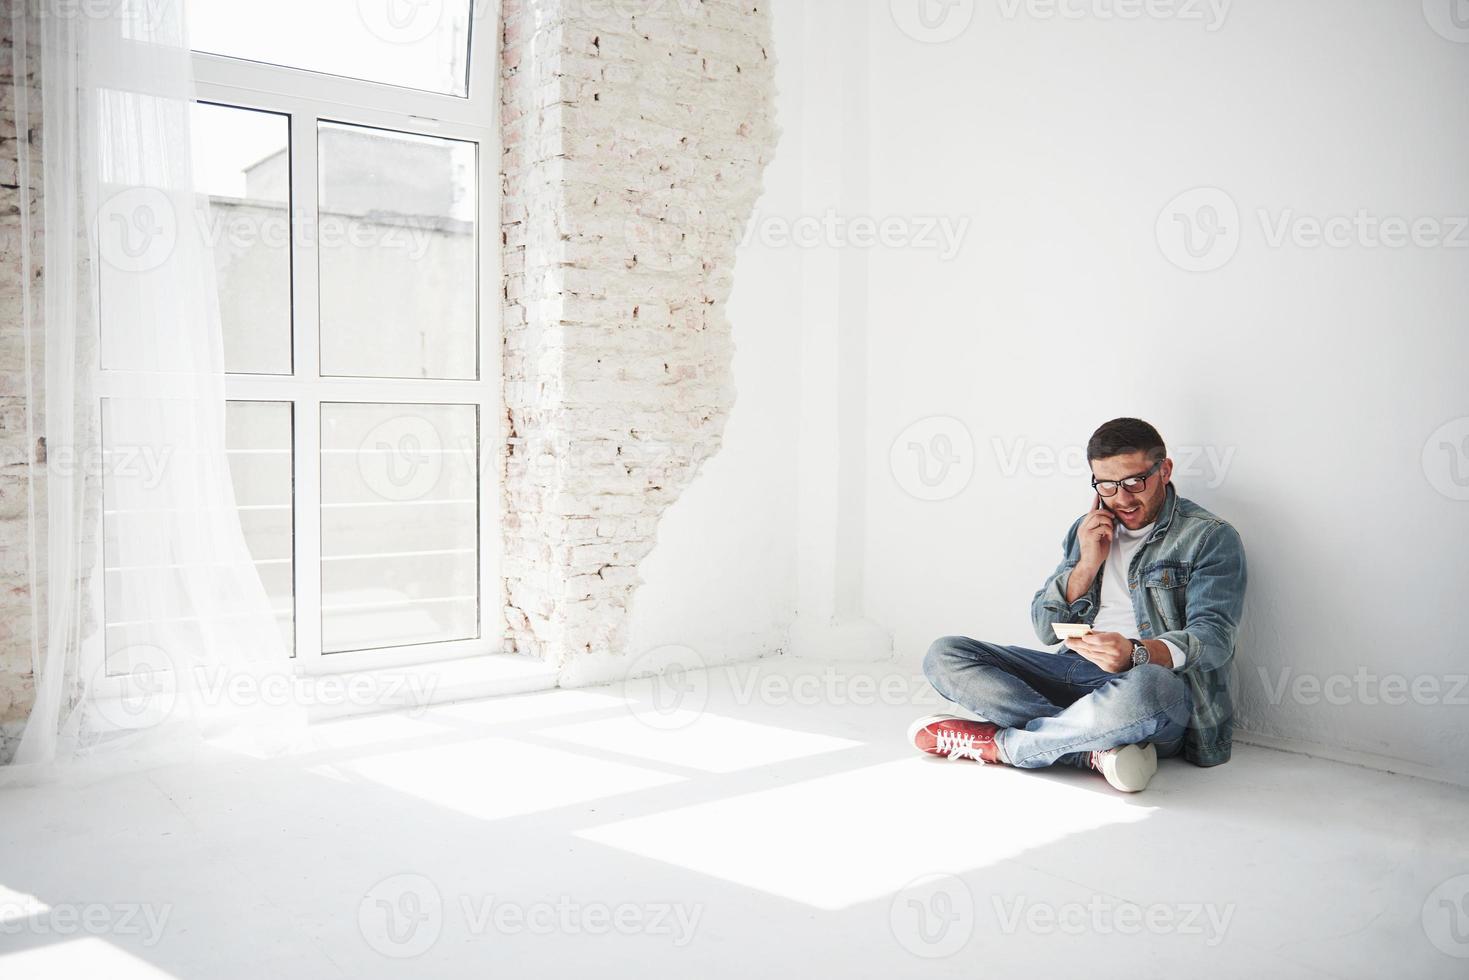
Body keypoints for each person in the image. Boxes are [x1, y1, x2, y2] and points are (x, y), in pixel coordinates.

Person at [909, 418, 1247, 792]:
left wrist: (1136, 653)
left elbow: (1215, 639)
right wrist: (1087, 564)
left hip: (1145, 690)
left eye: (1135, 481)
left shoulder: (1210, 537)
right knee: (946, 654)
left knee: (1152, 686)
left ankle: (1008, 747)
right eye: (1106, 484)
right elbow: (1044, 628)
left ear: (1164, 470)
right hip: (1072, 673)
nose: (1121, 498)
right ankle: (1090, 749)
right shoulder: (1087, 530)